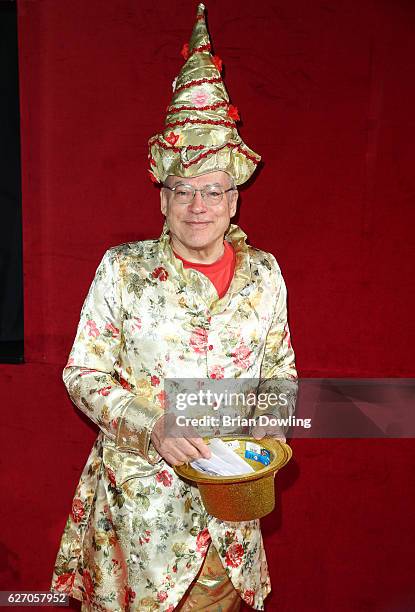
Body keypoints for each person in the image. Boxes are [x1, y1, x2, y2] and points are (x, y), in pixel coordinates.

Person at [50, 4, 297, 611]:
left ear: (234, 199)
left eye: (212, 189)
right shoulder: (124, 269)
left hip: (231, 509)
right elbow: (81, 372)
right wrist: (151, 425)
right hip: (143, 512)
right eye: (181, 188)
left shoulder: (264, 275)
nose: (197, 205)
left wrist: (270, 422)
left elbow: (281, 372)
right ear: (161, 196)